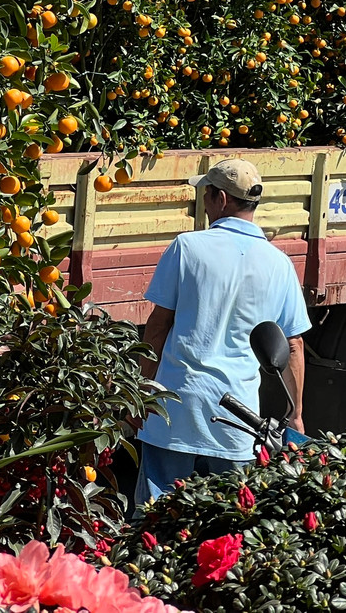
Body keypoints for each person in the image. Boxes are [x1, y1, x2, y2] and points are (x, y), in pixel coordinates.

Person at [135, 158, 310, 507]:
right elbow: (293, 345)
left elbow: (157, 328)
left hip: (174, 413)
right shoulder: (279, 264)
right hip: (237, 422)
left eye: (206, 194)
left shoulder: (187, 247)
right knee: (225, 529)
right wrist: (297, 415)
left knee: (152, 531)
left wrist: (140, 393)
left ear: (221, 199)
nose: (203, 201)